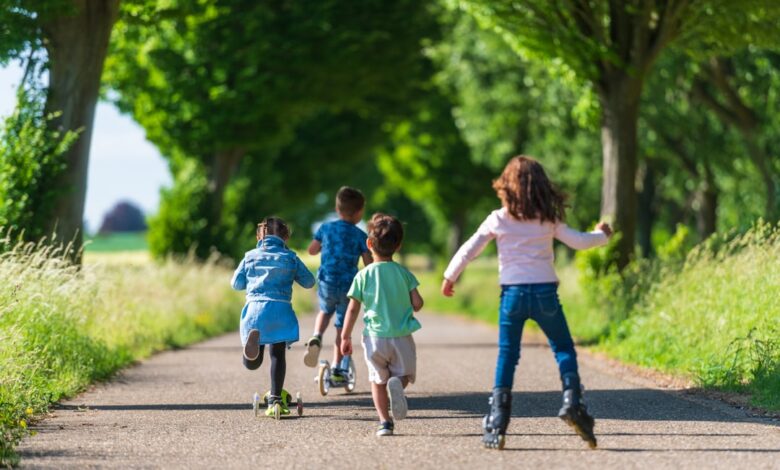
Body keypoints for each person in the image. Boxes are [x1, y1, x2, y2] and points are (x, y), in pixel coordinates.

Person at [441, 155, 612, 450]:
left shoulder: (498, 218)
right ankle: (573, 400)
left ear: (506, 186)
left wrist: (449, 276)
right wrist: (603, 235)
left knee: (508, 355)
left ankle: (498, 418)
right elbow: (580, 241)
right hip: (545, 293)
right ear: (541, 186)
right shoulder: (548, 219)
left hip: (513, 296)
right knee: (563, 349)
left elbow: (470, 248)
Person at [341, 213, 423, 437]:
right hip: (402, 336)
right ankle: (397, 383)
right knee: (403, 374)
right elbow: (418, 303)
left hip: (374, 338)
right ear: (398, 245)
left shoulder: (363, 275)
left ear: (369, 244)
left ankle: (384, 422)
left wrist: (345, 336)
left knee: (377, 381)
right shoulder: (404, 273)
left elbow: (352, 309)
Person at [231, 217, 315, 417]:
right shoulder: (290, 257)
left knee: (253, 363)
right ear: (285, 237)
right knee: (277, 355)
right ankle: (276, 398)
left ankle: (249, 353)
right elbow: (310, 282)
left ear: (260, 236)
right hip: (280, 310)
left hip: (255, 310)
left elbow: (236, 283)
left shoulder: (250, 256)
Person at [303, 187, 372, 383]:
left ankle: (316, 336)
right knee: (342, 326)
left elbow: (312, 250)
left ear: (337, 208)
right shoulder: (360, 235)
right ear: (359, 213)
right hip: (349, 285)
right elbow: (368, 264)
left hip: (327, 280)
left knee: (324, 311)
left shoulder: (325, 228)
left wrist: (325, 246)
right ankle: (336, 368)